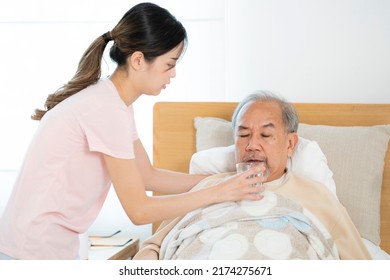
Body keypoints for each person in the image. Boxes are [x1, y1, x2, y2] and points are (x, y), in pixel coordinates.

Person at [0, 3, 265, 260]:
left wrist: (221, 180)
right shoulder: (105, 109)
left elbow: (147, 176)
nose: (173, 74)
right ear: (138, 60)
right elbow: (139, 210)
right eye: (170, 64)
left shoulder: (114, 103)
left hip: (38, 246)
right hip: (31, 252)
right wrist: (220, 193)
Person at [134, 91, 371, 260]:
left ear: (290, 144)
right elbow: (153, 247)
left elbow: (361, 266)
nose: (252, 145)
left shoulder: (317, 196)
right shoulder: (210, 186)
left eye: (266, 136)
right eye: (244, 134)